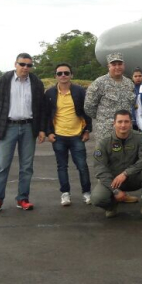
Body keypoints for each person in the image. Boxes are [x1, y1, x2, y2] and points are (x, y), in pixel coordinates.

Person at [0, 52, 46, 213]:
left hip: (28, 127)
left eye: (29, 65)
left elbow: (41, 108)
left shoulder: (36, 83)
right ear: (15, 64)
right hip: (8, 127)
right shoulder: (4, 80)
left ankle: (23, 198)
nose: (25, 68)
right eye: (22, 64)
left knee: (26, 167)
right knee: (2, 165)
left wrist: (41, 129)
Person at [90, 110, 142, 220]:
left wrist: (126, 173)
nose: (123, 125)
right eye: (120, 122)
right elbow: (100, 169)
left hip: (134, 177)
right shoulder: (104, 142)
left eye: (126, 122)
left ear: (131, 123)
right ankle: (112, 206)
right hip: (113, 181)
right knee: (97, 198)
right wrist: (115, 190)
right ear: (114, 123)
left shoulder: (140, 138)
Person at [43, 63, 93, 206]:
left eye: (66, 73)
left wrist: (87, 130)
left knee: (82, 165)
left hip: (77, 135)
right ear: (55, 76)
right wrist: (49, 133)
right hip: (58, 136)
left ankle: (86, 192)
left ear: (71, 75)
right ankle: (65, 194)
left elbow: (87, 111)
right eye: (60, 73)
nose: (63, 76)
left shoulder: (79, 91)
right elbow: (47, 114)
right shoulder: (50, 93)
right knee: (62, 166)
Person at [84, 53, 136, 145]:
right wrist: (103, 119)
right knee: (105, 158)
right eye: (114, 64)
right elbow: (89, 106)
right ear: (108, 66)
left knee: (127, 157)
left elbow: (132, 104)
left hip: (126, 131)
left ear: (123, 65)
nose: (117, 67)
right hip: (106, 132)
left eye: (119, 64)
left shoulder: (129, 83)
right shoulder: (99, 83)